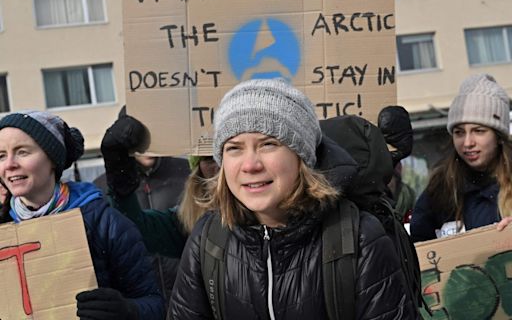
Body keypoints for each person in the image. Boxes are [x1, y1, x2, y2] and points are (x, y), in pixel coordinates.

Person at [170, 78, 416, 319]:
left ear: (302, 158)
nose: (250, 165)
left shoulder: (358, 238)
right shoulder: (210, 239)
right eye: (234, 148)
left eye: (268, 144)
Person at [0, 110, 164, 320]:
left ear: (52, 159)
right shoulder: (3, 226)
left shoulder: (105, 224)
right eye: (1, 155)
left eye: (22, 152)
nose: (9, 164)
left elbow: (154, 303)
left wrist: (126, 311)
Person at [100, 112, 219, 305]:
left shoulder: (275, 218)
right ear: (198, 172)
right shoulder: (190, 223)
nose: (221, 167)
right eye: (209, 158)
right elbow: (134, 229)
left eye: (232, 150)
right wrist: (119, 171)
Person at [410, 74, 512, 243]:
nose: (467, 143)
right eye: (459, 132)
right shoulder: (440, 189)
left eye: (478, 131)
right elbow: (419, 249)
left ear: (499, 136)